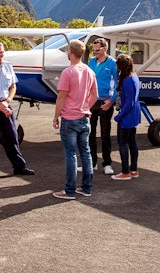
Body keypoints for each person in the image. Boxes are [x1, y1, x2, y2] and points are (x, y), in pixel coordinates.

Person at [0, 41, 35, 178]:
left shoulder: (8, 66)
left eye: (3, 52)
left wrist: (7, 101)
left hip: (5, 103)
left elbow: (13, 86)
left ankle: (19, 166)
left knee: (12, 137)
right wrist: (0, 106)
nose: (2, 55)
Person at [51, 40, 98, 200]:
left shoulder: (68, 72)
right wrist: (86, 107)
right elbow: (95, 96)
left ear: (70, 52)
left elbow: (61, 97)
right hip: (84, 118)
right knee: (86, 153)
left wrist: (56, 117)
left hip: (70, 119)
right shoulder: (89, 71)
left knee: (71, 154)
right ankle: (87, 188)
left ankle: (69, 190)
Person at [86, 38, 118, 175]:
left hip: (106, 102)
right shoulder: (91, 62)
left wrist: (112, 100)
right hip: (92, 101)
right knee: (90, 134)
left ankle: (107, 163)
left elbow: (117, 83)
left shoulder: (113, 64)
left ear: (105, 49)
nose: (95, 52)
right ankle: (92, 163)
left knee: (105, 134)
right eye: (93, 50)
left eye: (97, 50)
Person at [112, 54, 141, 180]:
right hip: (134, 114)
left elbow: (129, 103)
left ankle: (125, 171)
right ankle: (133, 169)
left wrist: (119, 116)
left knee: (122, 142)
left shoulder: (127, 81)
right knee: (132, 142)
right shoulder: (134, 77)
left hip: (127, 116)